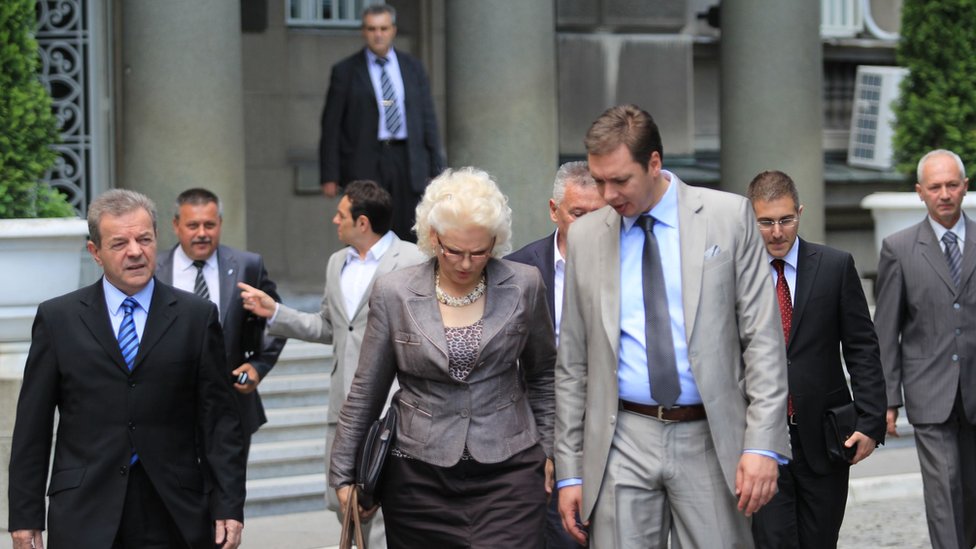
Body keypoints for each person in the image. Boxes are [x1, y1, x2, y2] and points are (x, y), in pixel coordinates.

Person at [554, 104, 790, 548]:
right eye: (599, 181)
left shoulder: (727, 216)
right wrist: (570, 471)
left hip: (710, 435)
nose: (608, 195)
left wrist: (761, 445)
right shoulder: (586, 236)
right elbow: (573, 364)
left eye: (620, 180)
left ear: (654, 163)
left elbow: (762, 339)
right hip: (622, 435)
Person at [327, 167, 556, 548]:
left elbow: (544, 373)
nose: (466, 263)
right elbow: (367, 389)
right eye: (454, 251)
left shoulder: (524, 284)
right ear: (433, 237)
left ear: (495, 241)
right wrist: (343, 473)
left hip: (510, 471)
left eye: (479, 252)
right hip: (418, 478)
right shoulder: (394, 292)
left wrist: (549, 451)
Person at [7, 189, 246, 549]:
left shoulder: (196, 317)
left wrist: (228, 504)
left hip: (173, 510)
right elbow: (32, 425)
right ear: (95, 252)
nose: (135, 251)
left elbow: (219, 422)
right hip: (84, 510)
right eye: (119, 243)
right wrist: (25, 516)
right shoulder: (59, 319)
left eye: (144, 239)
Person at [239, 180, 426, 548]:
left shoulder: (414, 259)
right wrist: (275, 312)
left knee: (389, 508)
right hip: (344, 405)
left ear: (362, 222)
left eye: (341, 215)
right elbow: (329, 327)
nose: (334, 220)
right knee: (346, 503)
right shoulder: (336, 262)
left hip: (394, 406)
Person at [746, 170, 887, 548]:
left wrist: (871, 420)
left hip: (826, 438)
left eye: (786, 220)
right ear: (750, 218)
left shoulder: (834, 266)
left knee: (820, 541)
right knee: (772, 541)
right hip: (761, 438)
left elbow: (862, 346)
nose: (777, 232)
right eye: (766, 222)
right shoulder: (736, 273)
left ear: (800, 212)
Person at [874, 149, 976, 549]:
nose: (944, 194)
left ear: (965, 187)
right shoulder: (898, 249)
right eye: (935, 187)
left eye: (952, 185)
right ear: (920, 192)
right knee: (943, 492)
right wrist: (887, 400)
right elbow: (887, 329)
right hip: (929, 393)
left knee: (970, 493)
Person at [506, 160, 605, 549]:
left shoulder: (629, 263)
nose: (588, 225)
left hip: (614, 427)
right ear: (554, 210)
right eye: (578, 214)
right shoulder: (517, 270)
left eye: (598, 214)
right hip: (542, 431)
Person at [156, 188, 286, 458]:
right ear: (176, 225)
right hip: (166, 411)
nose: (202, 233)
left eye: (210, 225)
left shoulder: (247, 266)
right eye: (193, 225)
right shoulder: (153, 270)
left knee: (227, 485)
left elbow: (277, 318)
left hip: (231, 408)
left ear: (221, 224)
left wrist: (259, 365)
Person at [319, 4, 444, 242]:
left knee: (410, 229)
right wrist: (329, 174)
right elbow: (331, 125)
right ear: (363, 31)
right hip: (365, 159)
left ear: (393, 30)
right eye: (372, 29)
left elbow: (427, 118)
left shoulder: (413, 67)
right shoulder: (345, 71)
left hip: (407, 158)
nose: (378, 34)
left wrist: (436, 167)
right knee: (367, 228)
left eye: (383, 28)